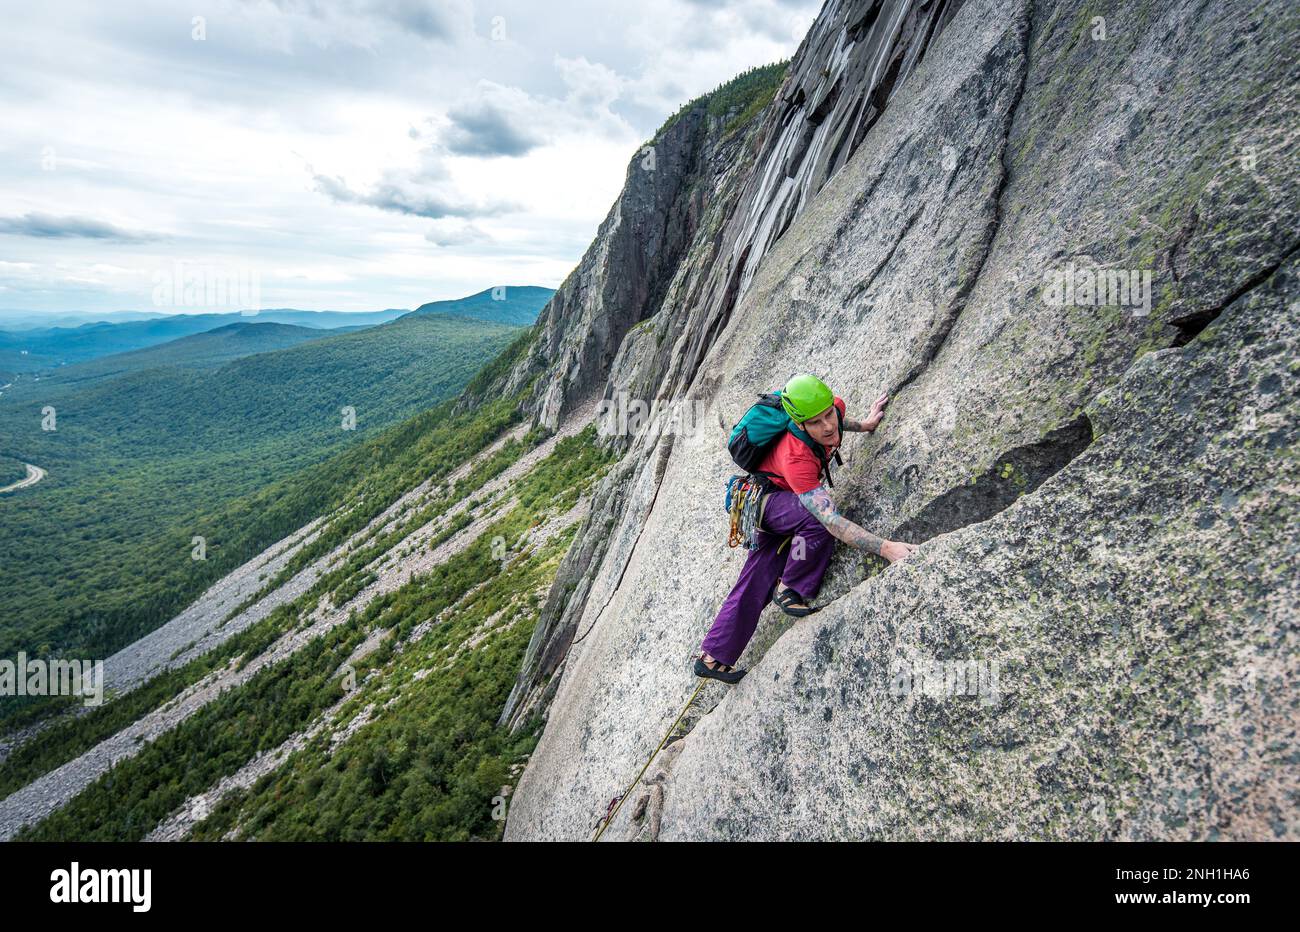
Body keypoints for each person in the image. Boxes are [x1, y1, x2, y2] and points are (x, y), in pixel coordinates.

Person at [696, 374, 918, 683]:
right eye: (816, 422)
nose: (828, 426)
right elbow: (829, 520)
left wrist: (866, 424)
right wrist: (886, 548)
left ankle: (714, 657)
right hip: (765, 502)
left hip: (776, 501)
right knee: (815, 520)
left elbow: (838, 422)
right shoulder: (796, 457)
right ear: (799, 424)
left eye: (829, 414)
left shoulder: (830, 410)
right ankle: (791, 587)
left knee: (758, 573)